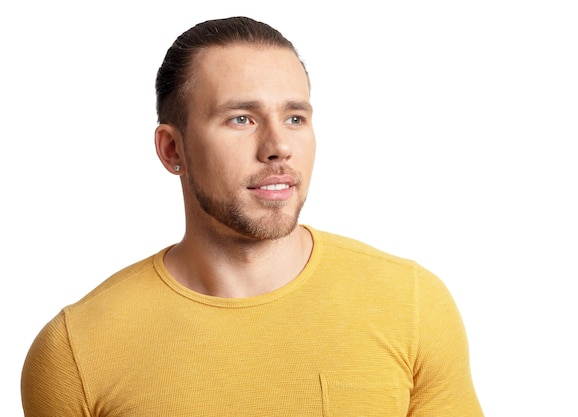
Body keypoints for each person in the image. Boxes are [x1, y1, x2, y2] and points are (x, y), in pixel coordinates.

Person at [21, 16, 483, 416]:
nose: (279, 146)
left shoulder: (412, 304)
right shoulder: (75, 352)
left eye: (295, 118)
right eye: (241, 118)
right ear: (172, 148)